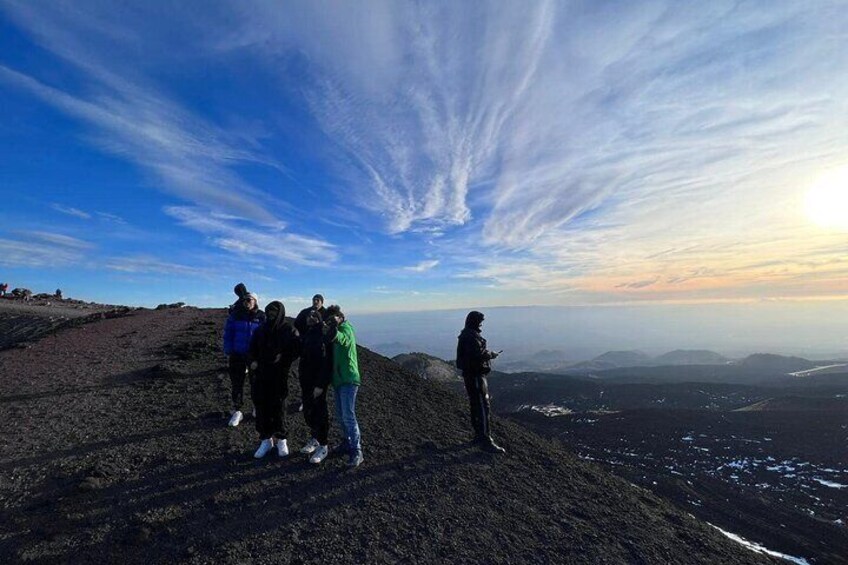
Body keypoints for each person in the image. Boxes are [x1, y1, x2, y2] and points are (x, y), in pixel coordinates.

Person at [248, 301, 301, 459]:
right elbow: (251, 350)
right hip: (261, 374)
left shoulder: (288, 330)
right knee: (262, 407)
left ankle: (281, 439)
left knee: (278, 407)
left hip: (279, 375)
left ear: (280, 312)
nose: (271, 314)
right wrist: (252, 362)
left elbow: (296, 349)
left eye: (274, 311)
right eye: (269, 311)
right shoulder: (260, 330)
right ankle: (266, 440)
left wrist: (283, 358)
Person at [456, 311, 505, 454]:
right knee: (483, 406)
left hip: (472, 375)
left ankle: (479, 436)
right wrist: (491, 354)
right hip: (476, 375)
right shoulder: (471, 336)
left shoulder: (467, 334)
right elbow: (477, 354)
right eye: (480, 321)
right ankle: (485, 440)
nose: (481, 324)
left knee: (476, 404)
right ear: (474, 322)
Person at [326, 305, 363, 467]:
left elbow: (344, 340)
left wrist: (334, 327)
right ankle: (347, 442)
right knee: (341, 415)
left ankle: (357, 450)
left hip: (349, 379)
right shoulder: (334, 329)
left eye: (333, 317)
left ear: (339, 317)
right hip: (339, 380)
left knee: (348, 415)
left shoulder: (346, 329)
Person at [222, 292, 265, 427]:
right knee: (237, 383)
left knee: (256, 383)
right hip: (237, 354)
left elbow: (265, 335)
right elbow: (228, 333)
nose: (247, 302)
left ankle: (256, 407)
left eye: (249, 299)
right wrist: (229, 349)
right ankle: (237, 410)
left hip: (254, 356)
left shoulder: (261, 316)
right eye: (245, 299)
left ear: (255, 301)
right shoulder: (235, 315)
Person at [298, 310, 333, 464]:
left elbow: (327, 364)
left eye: (314, 317)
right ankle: (315, 439)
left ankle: (324, 445)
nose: (310, 318)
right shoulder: (307, 336)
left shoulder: (323, 338)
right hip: (306, 382)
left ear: (319, 320)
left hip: (318, 384)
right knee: (308, 411)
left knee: (320, 412)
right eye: (309, 317)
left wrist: (320, 384)